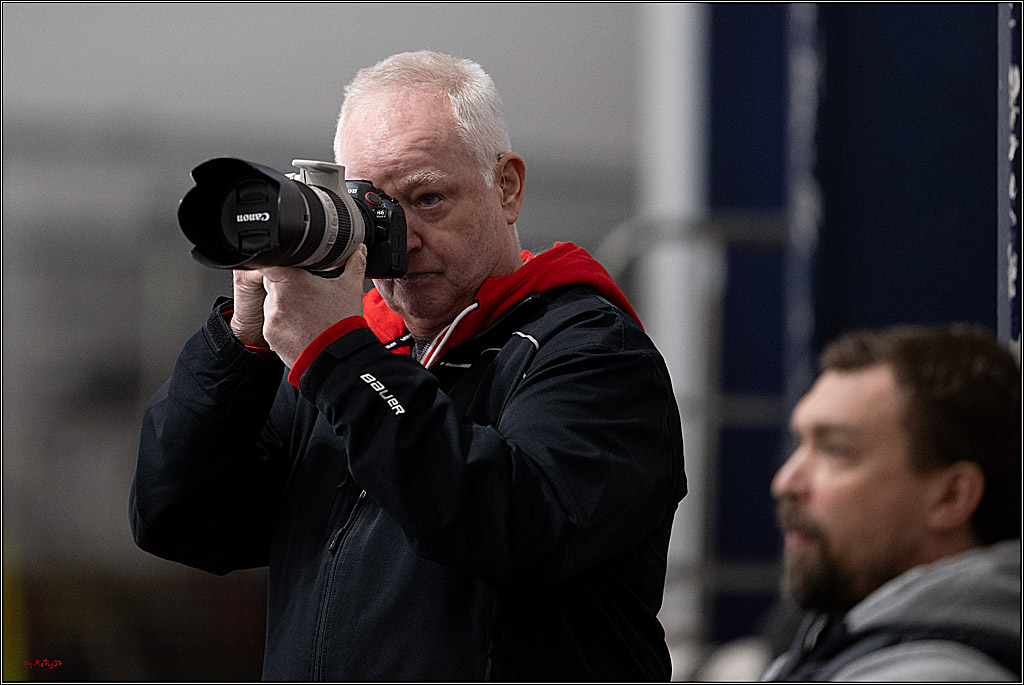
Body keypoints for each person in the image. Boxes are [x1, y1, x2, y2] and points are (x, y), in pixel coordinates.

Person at [130, 50, 687, 681]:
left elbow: (512, 527)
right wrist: (241, 344)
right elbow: (178, 521)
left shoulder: (593, 354)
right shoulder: (344, 361)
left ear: (506, 187)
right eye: (372, 211)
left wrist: (340, 359)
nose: (402, 238)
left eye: (427, 199)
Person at [761, 323, 1021, 681]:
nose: (785, 482)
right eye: (800, 445)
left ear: (951, 497)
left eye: (834, 450)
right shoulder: (841, 643)